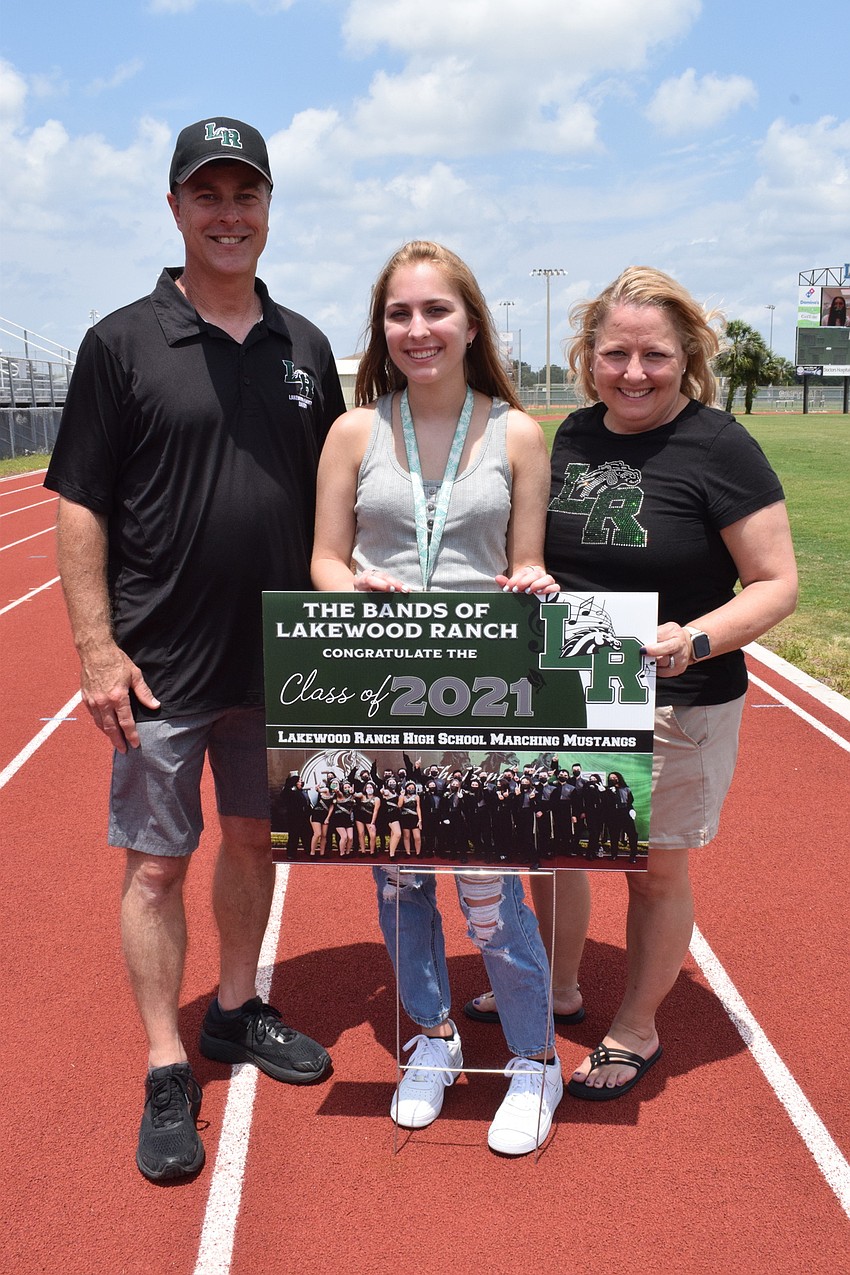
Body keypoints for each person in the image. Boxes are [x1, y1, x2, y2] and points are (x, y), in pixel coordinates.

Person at [44, 116, 345, 1181]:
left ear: (269, 208)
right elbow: (77, 504)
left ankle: (232, 1010)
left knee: (257, 847)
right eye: (208, 195)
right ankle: (168, 1066)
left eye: (246, 195)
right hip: (163, 665)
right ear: (174, 208)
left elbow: (339, 500)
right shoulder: (121, 342)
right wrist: (93, 648)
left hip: (280, 663)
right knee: (158, 870)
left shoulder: (305, 347)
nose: (229, 215)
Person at [467, 265, 797, 1101]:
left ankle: (637, 1028)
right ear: (588, 356)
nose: (634, 372)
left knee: (651, 868)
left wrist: (695, 637)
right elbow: (535, 552)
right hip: (570, 683)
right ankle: (558, 987)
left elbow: (774, 583)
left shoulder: (720, 446)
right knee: (555, 847)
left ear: (686, 356)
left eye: (654, 355)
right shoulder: (570, 435)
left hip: (677, 697)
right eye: (615, 353)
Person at [311, 240, 563, 1155]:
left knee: (490, 889)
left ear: (470, 323)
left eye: (435, 311)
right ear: (382, 328)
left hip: (483, 696)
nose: (417, 329)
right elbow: (325, 560)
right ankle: (432, 1037)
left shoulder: (518, 433)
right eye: (399, 313)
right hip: (382, 692)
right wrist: (350, 595)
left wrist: (530, 579)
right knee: (402, 877)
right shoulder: (353, 432)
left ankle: (536, 1058)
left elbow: (525, 557)